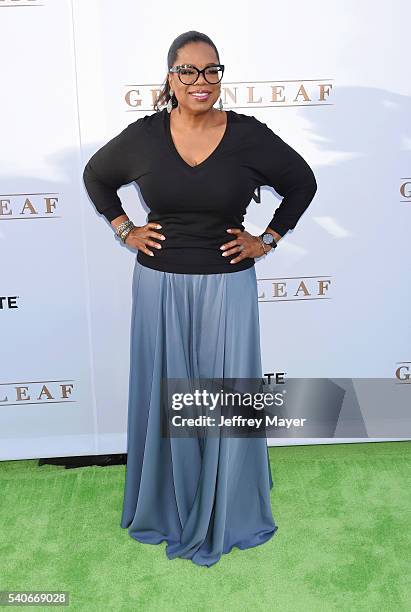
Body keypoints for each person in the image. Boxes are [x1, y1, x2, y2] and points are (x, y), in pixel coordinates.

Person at [82, 30, 317, 567]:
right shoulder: (143, 136)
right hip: (158, 284)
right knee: (168, 392)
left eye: (211, 70)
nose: (201, 81)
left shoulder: (248, 137)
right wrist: (124, 228)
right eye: (188, 71)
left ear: (220, 76)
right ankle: (166, 501)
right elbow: (97, 176)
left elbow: (302, 182)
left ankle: (228, 500)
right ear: (170, 79)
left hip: (227, 283)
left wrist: (268, 239)